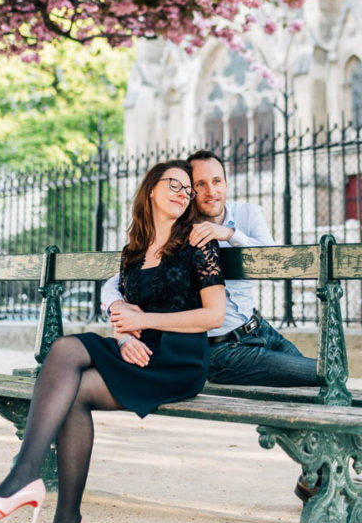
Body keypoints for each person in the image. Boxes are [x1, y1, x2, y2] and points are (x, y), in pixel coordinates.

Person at [0, 160, 225, 523]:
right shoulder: (134, 252)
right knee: (72, 387)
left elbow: (213, 316)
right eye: (173, 184)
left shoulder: (198, 243)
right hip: (139, 350)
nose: (182, 192)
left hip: (179, 359)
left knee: (67, 349)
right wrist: (124, 336)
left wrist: (143, 323)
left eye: (187, 189)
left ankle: (26, 477)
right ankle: (65, 521)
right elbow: (123, 316)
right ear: (151, 190)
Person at [105, 149, 318, 389]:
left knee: (324, 379)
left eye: (217, 181)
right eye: (200, 185)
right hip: (221, 349)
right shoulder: (180, 233)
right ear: (190, 191)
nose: (211, 192)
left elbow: (280, 270)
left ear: (226, 184)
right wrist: (117, 307)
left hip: (259, 329)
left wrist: (231, 235)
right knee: (321, 376)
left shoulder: (247, 214)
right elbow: (121, 278)